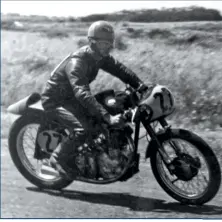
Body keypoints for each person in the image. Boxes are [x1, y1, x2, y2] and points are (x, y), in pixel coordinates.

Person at [40, 20, 148, 179]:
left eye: (109, 44)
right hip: (56, 100)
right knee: (83, 129)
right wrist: (108, 117)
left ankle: (107, 153)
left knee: (110, 110)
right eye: (104, 44)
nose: (107, 48)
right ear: (92, 42)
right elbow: (81, 92)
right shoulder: (77, 62)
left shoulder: (101, 57)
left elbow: (120, 69)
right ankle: (57, 158)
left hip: (73, 99)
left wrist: (140, 85)